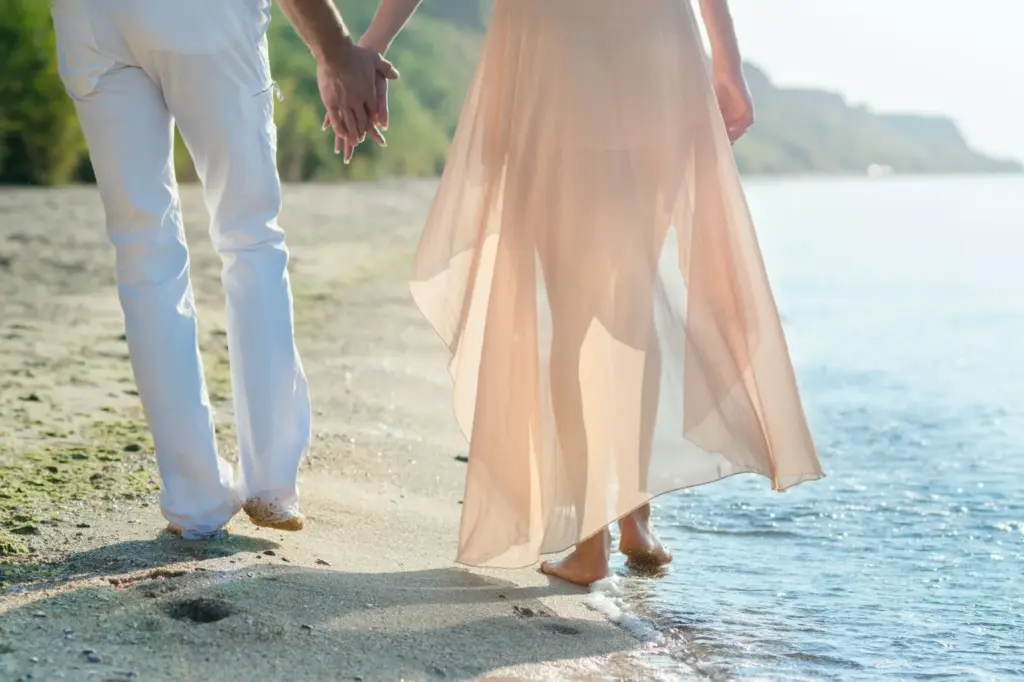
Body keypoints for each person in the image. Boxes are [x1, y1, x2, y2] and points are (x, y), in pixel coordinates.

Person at [363, 0, 825, 586]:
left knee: (574, 317)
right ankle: (635, 519)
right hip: (652, 54)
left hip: (557, 55)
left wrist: (372, 44)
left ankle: (590, 542)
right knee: (630, 303)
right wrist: (726, 61)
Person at [50, 0, 394, 539]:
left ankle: (194, 500)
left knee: (143, 252)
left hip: (90, 21)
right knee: (249, 237)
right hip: (202, 17)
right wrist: (334, 49)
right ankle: (271, 484)